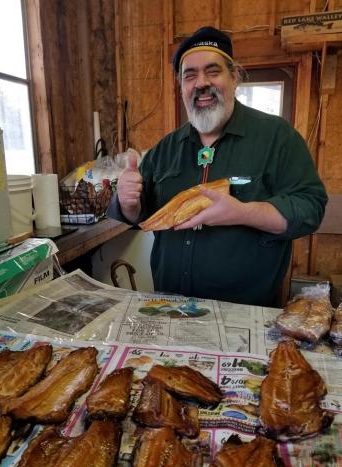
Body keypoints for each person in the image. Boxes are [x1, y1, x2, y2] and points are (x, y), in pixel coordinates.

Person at [107, 26, 327, 307]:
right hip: (170, 307)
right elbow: (141, 214)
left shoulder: (277, 138)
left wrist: (243, 213)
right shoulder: (165, 149)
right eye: (190, 76)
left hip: (246, 313)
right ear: (182, 87)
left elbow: (310, 208)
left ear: (234, 77)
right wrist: (127, 202)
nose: (201, 83)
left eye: (212, 71)